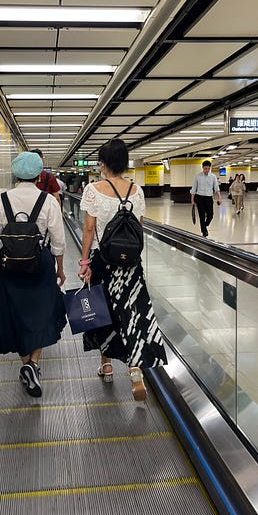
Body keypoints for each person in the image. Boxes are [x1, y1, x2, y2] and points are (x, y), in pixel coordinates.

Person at [78, 139, 167, 401]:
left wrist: (84, 263)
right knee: (132, 312)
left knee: (101, 312)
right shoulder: (136, 191)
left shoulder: (93, 190)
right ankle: (135, 369)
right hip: (129, 264)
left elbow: (88, 229)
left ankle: (106, 365)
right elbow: (137, 228)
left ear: (103, 164)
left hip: (102, 262)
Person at [0, 151, 67, 398]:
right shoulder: (48, 201)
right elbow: (59, 241)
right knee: (40, 314)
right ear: (40, 175)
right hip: (40, 265)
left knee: (15, 315)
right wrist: (60, 268)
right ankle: (34, 363)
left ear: (15, 174)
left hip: (10, 266)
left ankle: (25, 364)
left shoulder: (2, 200)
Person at [190, 160, 222, 237]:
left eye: (208, 169)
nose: (206, 170)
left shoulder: (213, 177)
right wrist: (192, 200)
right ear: (202, 168)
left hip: (209, 198)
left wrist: (219, 198)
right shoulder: (198, 176)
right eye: (205, 169)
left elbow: (216, 188)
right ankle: (204, 231)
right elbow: (194, 189)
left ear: (210, 168)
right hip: (199, 198)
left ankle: (205, 225)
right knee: (202, 215)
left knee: (210, 215)